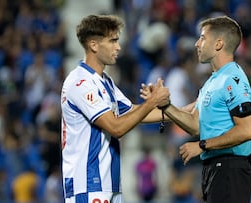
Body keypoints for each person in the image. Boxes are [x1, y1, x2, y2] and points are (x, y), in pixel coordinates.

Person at [141, 15, 251, 203]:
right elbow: (195, 124)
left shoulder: (232, 79)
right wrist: (160, 106)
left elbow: (247, 130)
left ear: (219, 44)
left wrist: (202, 145)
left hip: (230, 168)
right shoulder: (213, 81)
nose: (197, 44)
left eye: (202, 38)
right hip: (215, 167)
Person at [60, 14, 169, 203]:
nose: (118, 47)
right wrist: (152, 102)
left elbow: (135, 112)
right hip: (89, 186)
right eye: (112, 41)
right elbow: (116, 127)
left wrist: (189, 111)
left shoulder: (105, 82)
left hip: (107, 185)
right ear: (94, 45)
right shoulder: (80, 82)